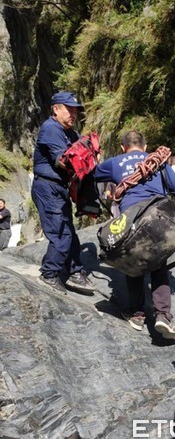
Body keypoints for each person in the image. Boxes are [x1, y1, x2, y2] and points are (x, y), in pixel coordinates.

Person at [95, 130, 175, 339]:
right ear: (145, 146)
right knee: (159, 264)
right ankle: (163, 315)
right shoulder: (158, 160)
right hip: (158, 218)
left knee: (132, 264)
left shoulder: (115, 162)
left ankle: (137, 314)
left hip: (132, 221)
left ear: (122, 147)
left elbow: (94, 175)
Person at [31, 91, 93, 295]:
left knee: (70, 233)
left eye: (75, 110)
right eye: (69, 109)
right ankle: (49, 273)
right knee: (61, 233)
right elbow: (65, 162)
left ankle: (75, 271)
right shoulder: (50, 128)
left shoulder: (71, 134)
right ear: (55, 109)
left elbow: (83, 159)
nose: (73, 114)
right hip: (47, 187)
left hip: (60, 189)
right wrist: (85, 156)